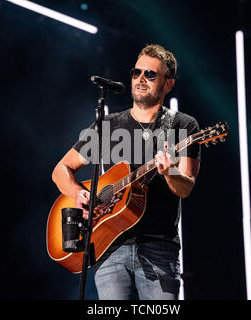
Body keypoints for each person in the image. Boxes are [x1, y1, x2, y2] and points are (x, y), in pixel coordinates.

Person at [52, 44, 201, 300]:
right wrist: (78, 193)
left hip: (159, 249)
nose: (141, 79)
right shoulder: (107, 126)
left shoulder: (182, 125)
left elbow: (185, 187)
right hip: (108, 247)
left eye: (150, 74)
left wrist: (169, 173)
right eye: (136, 72)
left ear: (168, 84)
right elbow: (60, 170)